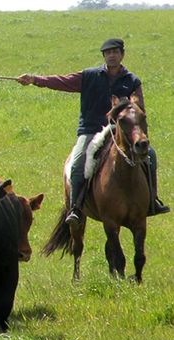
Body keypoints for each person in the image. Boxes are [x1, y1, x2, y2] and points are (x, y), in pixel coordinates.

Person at [17, 38, 169, 226]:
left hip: (120, 130)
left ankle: (152, 200)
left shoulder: (132, 80)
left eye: (115, 52)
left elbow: (138, 106)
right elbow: (62, 81)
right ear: (104, 56)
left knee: (150, 155)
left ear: (122, 54)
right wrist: (34, 79)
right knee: (78, 162)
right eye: (108, 52)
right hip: (91, 130)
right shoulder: (89, 76)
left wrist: (129, 114)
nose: (112, 55)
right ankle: (75, 207)